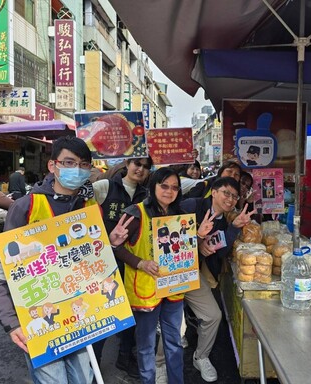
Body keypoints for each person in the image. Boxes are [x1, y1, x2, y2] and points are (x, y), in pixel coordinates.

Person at [0, 136, 95, 384]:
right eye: (69, 162)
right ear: (53, 165)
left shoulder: (88, 205)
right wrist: (10, 322)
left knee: (83, 379)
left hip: (81, 313)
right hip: (39, 317)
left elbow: (94, 256)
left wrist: (110, 242)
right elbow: (3, 267)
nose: (76, 170)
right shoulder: (26, 206)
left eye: (83, 164)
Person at [109, 167, 214, 384]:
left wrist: (198, 237)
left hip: (174, 288)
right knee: (147, 346)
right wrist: (140, 262)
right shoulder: (135, 213)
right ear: (153, 186)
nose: (169, 191)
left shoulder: (182, 216)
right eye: (164, 186)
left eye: (174, 187)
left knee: (174, 341)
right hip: (146, 290)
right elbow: (117, 249)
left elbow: (184, 250)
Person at [180, 177, 256, 382]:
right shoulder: (190, 205)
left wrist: (235, 227)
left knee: (213, 315)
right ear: (213, 192)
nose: (230, 199)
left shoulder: (224, 221)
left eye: (234, 196)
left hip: (192, 273)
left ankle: (201, 356)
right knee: (167, 322)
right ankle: (159, 365)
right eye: (226, 193)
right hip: (169, 273)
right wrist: (195, 240)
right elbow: (166, 233)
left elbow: (220, 253)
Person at [91, 156, 152, 377]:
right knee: (104, 313)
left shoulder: (147, 194)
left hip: (131, 260)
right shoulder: (105, 186)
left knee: (129, 313)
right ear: (127, 164)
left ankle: (125, 358)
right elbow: (83, 207)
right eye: (137, 164)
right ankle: (93, 365)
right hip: (104, 261)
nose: (140, 169)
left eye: (146, 167)